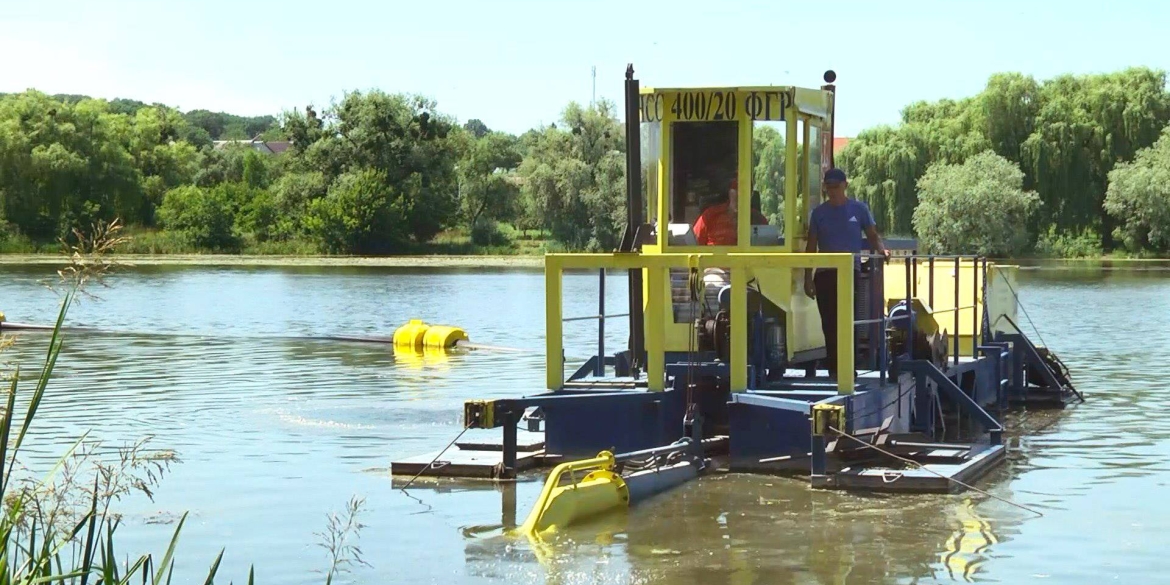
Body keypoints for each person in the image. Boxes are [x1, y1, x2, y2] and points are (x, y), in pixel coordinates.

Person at [803, 168, 890, 379]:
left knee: (848, 320)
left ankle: (848, 368)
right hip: (824, 274)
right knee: (829, 322)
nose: (832, 191)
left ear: (845, 186)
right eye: (828, 187)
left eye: (836, 187)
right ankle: (834, 368)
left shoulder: (859, 209)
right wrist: (807, 277)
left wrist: (881, 250)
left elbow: (872, 235)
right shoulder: (819, 213)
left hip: (850, 272)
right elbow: (811, 246)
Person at [693, 180, 769, 246]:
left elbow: (768, 247)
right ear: (729, 192)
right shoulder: (710, 216)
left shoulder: (759, 220)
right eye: (736, 189)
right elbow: (693, 244)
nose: (740, 195)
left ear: (751, 195)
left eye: (744, 191)